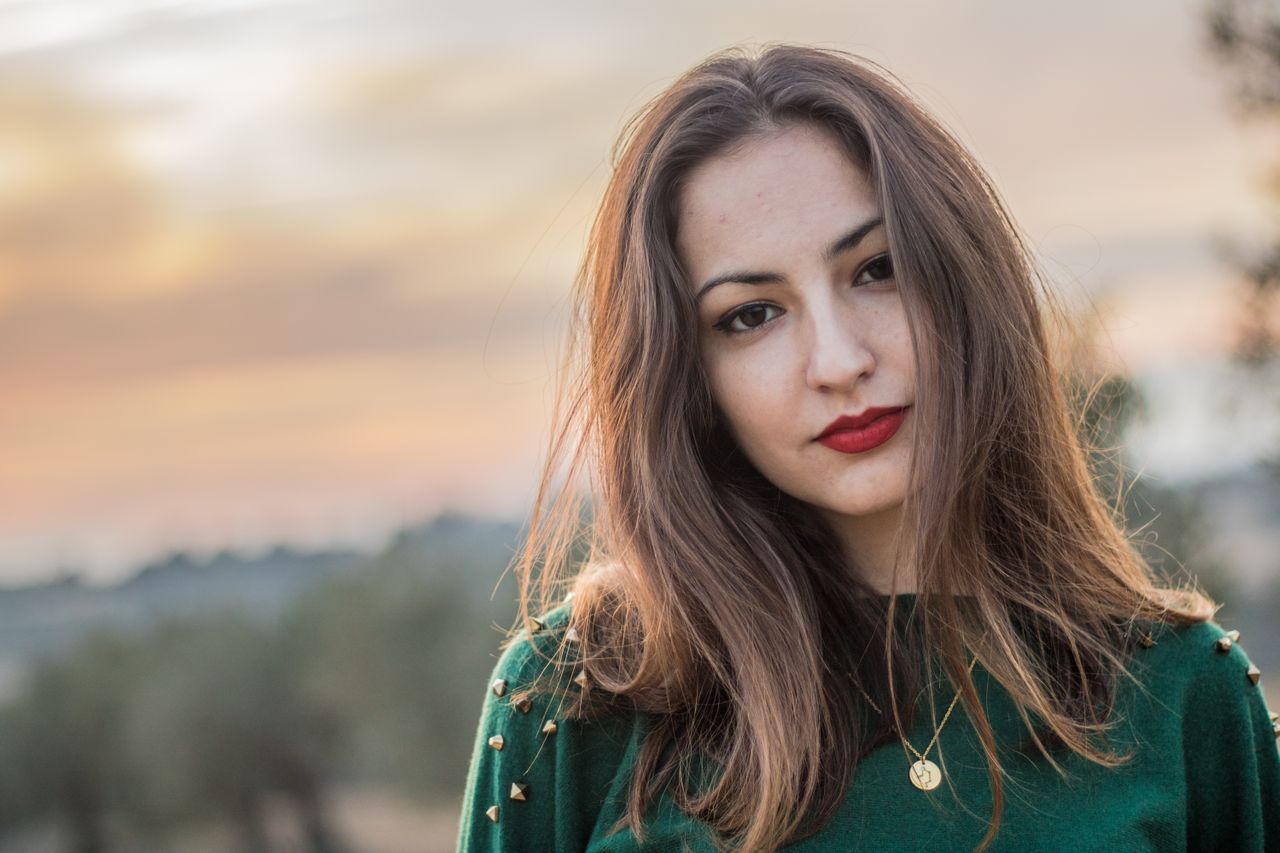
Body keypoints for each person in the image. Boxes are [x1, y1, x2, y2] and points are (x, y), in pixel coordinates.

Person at [455, 43, 1280, 852]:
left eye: (877, 268)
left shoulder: (1184, 695)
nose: (841, 361)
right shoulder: (576, 698)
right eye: (751, 314)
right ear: (687, 376)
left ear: (963, 282)